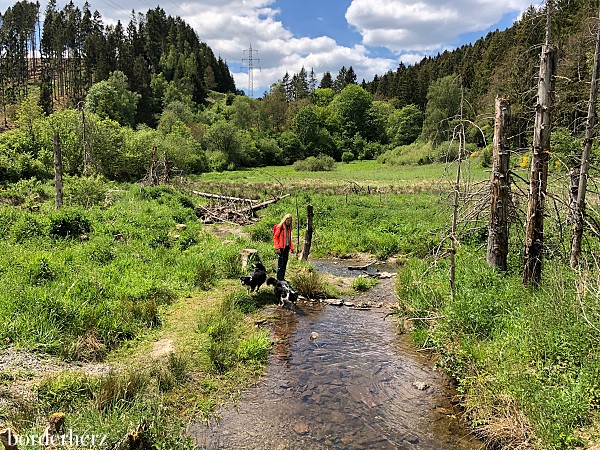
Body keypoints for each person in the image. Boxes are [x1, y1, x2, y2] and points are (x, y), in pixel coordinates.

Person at [273, 213, 294, 280]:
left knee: (285, 263)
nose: (288, 222)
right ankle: (279, 279)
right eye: (287, 220)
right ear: (285, 219)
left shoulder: (289, 227)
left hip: (286, 247)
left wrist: (292, 248)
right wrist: (277, 248)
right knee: (280, 264)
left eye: (290, 220)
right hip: (281, 248)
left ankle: (282, 278)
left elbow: (289, 239)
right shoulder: (280, 226)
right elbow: (275, 237)